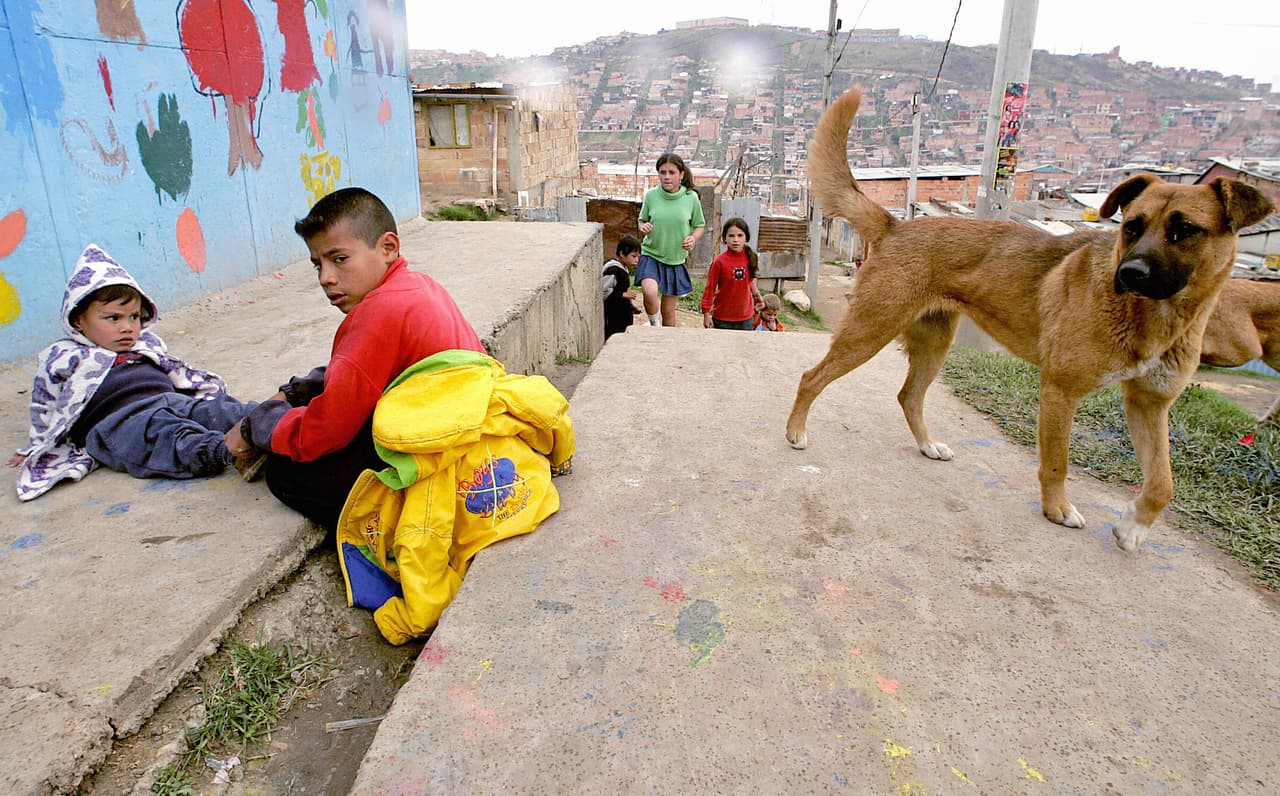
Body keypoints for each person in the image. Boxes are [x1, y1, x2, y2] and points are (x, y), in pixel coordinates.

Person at [225, 187, 486, 530]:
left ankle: (393, 525)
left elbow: (324, 432)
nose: (326, 278)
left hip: (438, 461)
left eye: (340, 259)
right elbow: (359, 371)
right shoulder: (418, 286)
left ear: (388, 247)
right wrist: (294, 393)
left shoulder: (376, 313)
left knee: (287, 474)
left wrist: (255, 426)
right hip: (468, 434)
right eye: (318, 264)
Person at [8, 244, 257, 501]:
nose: (127, 327)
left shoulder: (146, 344)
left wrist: (203, 393)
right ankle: (230, 451)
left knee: (217, 410)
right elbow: (44, 403)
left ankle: (272, 423)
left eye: (134, 316)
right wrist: (37, 447)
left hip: (169, 400)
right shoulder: (63, 356)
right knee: (167, 435)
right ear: (78, 321)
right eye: (113, 318)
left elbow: (176, 371)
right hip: (120, 421)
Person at [636, 153, 706, 327]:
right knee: (649, 291)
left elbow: (699, 225)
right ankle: (654, 323)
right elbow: (641, 220)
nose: (667, 177)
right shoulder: (651, 195)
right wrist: (643, 226)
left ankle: (667, 344)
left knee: (669, 312)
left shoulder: (691, 198)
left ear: (681, 174)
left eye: (671, 172)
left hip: (675, 259)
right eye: (662, 172)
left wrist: (693, 238)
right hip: (651, 254)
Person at [700, 217, 764, 330]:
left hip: (746, 318)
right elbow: (710, 289)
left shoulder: (750, 257)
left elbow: (749, 281)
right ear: (724, 238)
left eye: (740, 235)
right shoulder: (719, 262)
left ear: (746, 238)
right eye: (731, 236)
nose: (735, 240)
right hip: (722, 318)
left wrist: (757, 297)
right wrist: (706, 313)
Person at [602, 234, 641, 340]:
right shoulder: (613, 270)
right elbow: (603, 292)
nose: (637, 260)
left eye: (638, 256)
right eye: (633, 256)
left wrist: (630, 306)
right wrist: (623, 294)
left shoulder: (624, 269)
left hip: (622, 315)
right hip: (613, 316)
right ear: (622, 253)